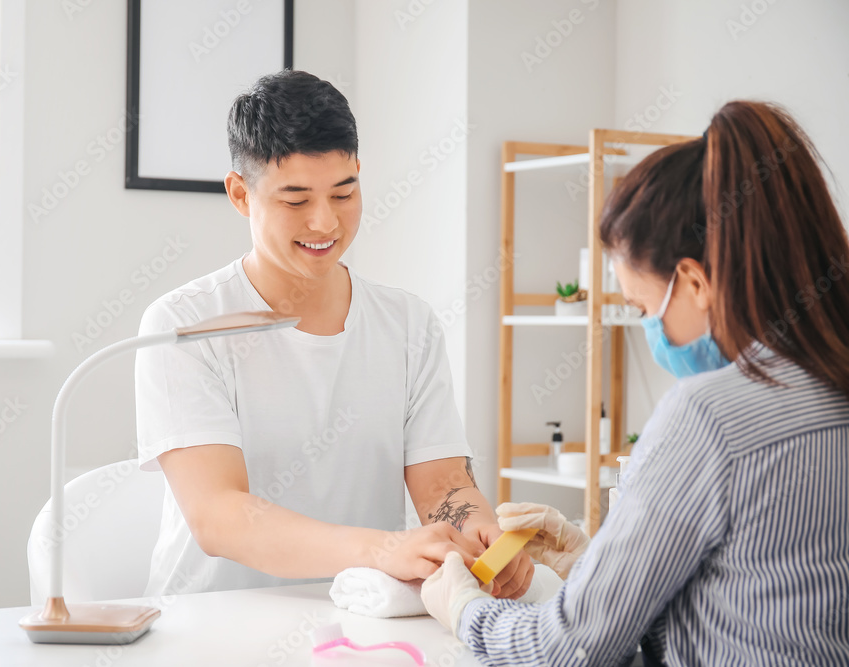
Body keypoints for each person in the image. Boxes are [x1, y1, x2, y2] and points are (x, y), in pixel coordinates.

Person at [421, 100, 849, 665]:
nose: (650, 328)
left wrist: (463, 607)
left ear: (694, 281)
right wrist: (597, 560)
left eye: (643, 306)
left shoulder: (710, 416)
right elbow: (753, 599)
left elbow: (565, 652)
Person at [134, 70, 534, 599]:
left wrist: (476, 530)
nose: (325, 223)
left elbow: (442, 485)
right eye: (295, 201)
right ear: (239, 194)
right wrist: (382, 549)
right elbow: (219, 516)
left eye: (343, 193)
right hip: (213, 623)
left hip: (365, 615)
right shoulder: (185, 325)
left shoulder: (408, 324)